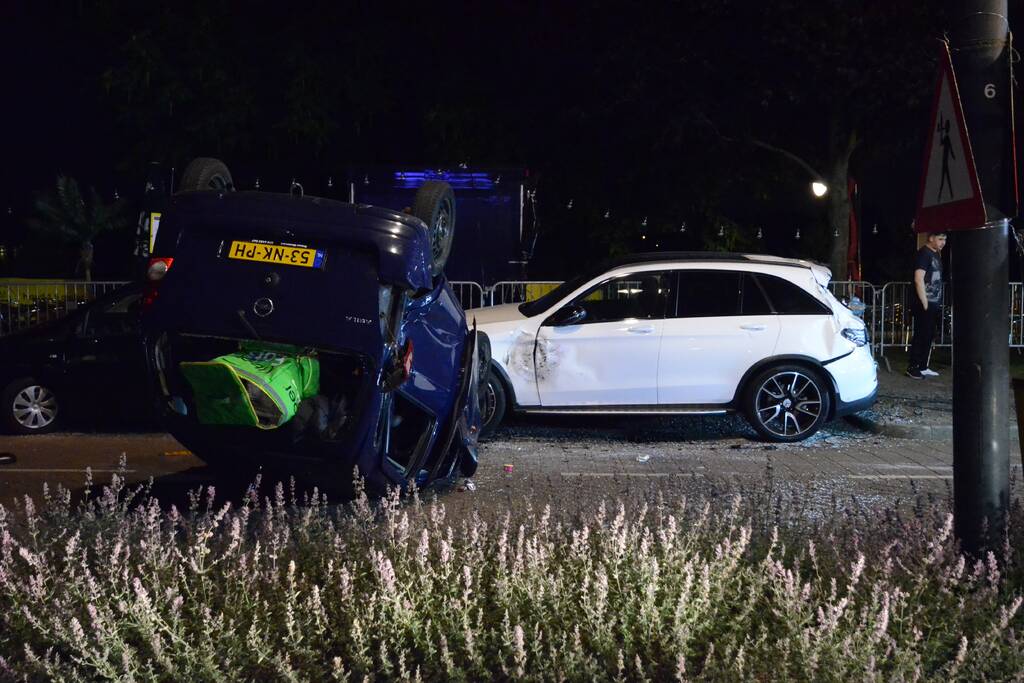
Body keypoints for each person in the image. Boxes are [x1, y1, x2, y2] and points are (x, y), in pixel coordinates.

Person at [906, 232, 947, 379]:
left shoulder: (936, 255)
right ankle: (913, 367)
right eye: (940, 239)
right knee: (921, 334)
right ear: (931, 238)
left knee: (929, 334)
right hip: (924, 301)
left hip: (933, 301)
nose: (943, 242)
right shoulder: (923, 254)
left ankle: (923, 366)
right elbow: (919, 278)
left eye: (945, 239)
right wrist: (924, 301)